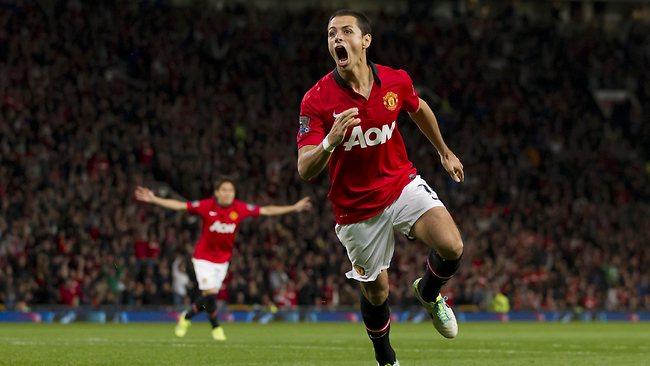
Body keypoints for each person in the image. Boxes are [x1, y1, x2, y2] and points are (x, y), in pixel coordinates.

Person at [296, 9, 465, 366]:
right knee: (377, 291)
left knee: (452, 245)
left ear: (365, 40)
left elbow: (418, 109)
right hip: (356, 208)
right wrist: (329, 141)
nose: (337, 38)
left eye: (345, 31)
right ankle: (385, 357)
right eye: (331, 34)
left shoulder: (395, 80)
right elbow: (304, 168)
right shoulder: (316, 100)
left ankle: (430, 293)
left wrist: (444, 151)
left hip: (400, 183)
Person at [134, 178, 311, 341]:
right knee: (210, 293)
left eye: (231, 190)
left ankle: (205, 323)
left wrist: (293, 207)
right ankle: (198, 321)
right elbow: (180, 206)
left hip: (223, 261)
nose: (228, 193)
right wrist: (154, 199)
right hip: (203, 259)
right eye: (224, 190)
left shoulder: (239, 208)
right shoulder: (206, 206)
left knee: (210, 299)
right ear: (217, 192)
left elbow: (266, 210)